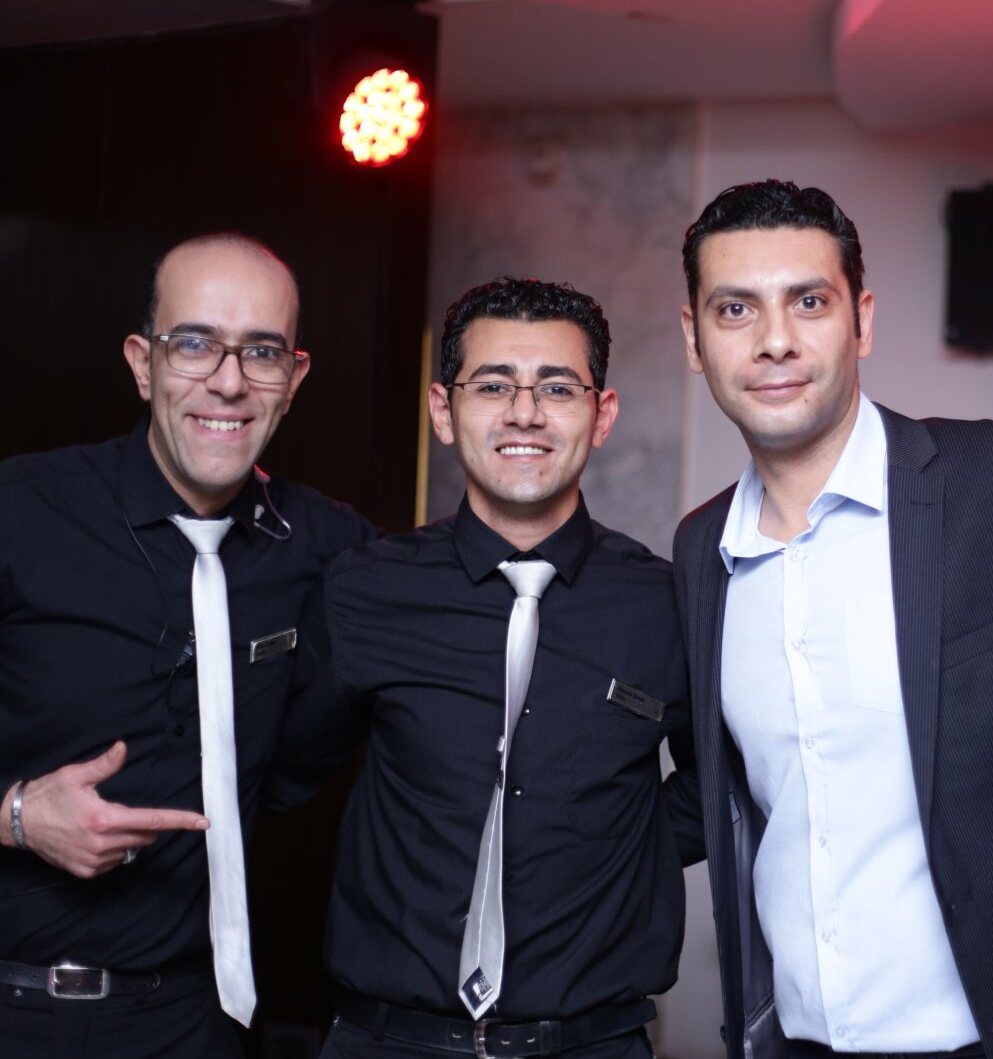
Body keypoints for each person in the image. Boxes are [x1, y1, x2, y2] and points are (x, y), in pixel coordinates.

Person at [671, 180, 993, 1059]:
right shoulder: (700, 550)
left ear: (862, 321)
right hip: (794, 1041)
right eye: (735, 309)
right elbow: (713, 790)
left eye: (809, 302)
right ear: (694, 339)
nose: (774, 340)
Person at [276, 278, 702, 1059]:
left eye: (558, 388)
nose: (524, 413)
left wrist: (611, 850)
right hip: (386, 1043)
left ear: (602, 415)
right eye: (494, 385)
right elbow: (288, 769)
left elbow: (720, 786)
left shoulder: (667, 604)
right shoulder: (366, 589)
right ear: (444, 411)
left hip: (592, 1046)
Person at [0, 233, 376, 1058]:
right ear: (144, 364)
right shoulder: (20, 512)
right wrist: (16, 816)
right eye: (196, 344)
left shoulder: (327, 546)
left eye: (262, 352)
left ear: (294, 380)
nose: (230, 382)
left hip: (195, 1022)